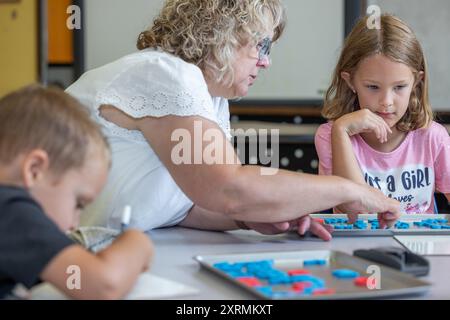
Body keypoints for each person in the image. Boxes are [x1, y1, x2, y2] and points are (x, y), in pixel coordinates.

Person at [66, 0, 400, 241]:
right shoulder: (166, 73)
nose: (266, 62)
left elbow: (187, 204)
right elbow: (230, 187)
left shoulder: (211, 96)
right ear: (222, 33)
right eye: (262, 45)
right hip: (54, 247)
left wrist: (248, 218)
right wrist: (350, 190)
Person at [0, 85, 153, 300]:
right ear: (35, 170)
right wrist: (137, 242)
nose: (74, 223)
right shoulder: (10, 211)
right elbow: (103, 285)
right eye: (78, 203)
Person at [315, 14, 450, 217]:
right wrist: (341, 131)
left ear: (416, 82)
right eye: (372, 87)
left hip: (417, 248)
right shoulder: (330, 135)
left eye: (399, 87)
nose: (386, 101)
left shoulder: (432, 137)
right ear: (350, 81)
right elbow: (353, 207)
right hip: (356, 247)